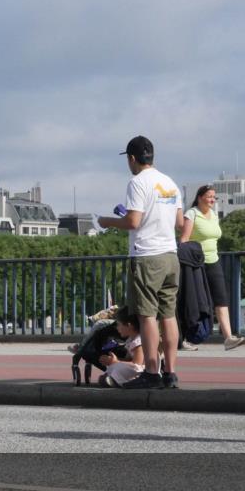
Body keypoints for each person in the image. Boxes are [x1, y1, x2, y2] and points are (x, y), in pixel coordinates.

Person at [98, 136, 183, 389]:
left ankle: (151, 372)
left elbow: (134, 222)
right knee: (168, 315)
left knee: (147, 316)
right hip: (170, 255)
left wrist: (107, 221)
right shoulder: (169, 183)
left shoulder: (137, 182)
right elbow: (179, 223)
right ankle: (171, 372)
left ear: (132, 158)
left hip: (147, 256)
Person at [179, 185, 245, 351]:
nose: (212, 200)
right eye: (209, 196)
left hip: (213, 261)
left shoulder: (214, 215)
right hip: (196, 264)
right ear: (200, 197)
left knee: (221, 299)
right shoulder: (192, 213)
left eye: (214, 197)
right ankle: (186, 338)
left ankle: (228, 337)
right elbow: (184, 240)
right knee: (195, 302)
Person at [98, 307, 146, 387]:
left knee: (118, 366)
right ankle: (112, 378)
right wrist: (113, 361)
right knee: (114, 366)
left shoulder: (138, 342)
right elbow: (128, 359)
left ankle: (118, 380)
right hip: (134, 368)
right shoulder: (130, 340)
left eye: (119, 325)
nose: (117, 328)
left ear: (129, 325)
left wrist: (116, 362)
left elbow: (137, 365)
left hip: (140, 371)